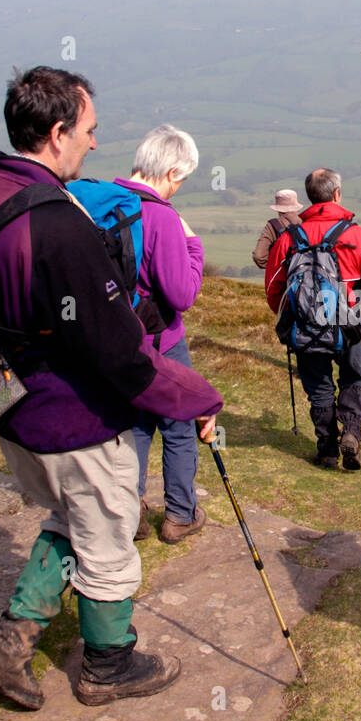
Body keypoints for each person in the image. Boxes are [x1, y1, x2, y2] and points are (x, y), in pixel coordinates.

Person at [0, 67, 223, 710]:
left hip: (5, 406)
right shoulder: (58, 225)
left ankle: (8, 645)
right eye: (89, 131)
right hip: (69, 417)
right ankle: (108, 663)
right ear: (56, 132)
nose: (95, 145)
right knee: (108, 531)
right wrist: (197, 399)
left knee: (68, 518)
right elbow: (121, 356)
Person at [105, 125, 207, 544]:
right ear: (170, 172)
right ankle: (180, 515)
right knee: (179, 421)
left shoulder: (102, 202)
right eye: (181, 179)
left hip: (114, 339)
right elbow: (182, 294)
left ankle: (132, 512)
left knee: (137, 423)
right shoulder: (161, 216)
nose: (179, 187)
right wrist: (194, 248)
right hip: (161, 339)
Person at [264, 168, 361, 470]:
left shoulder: (289, 238)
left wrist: (295, 314)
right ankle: (352, 434)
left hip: (305, 329)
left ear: (309, 197)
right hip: (348, 327)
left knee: (318, 386)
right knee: (353, 377)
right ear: (337, 194)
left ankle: (327, 449)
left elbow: (273, 289)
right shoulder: (356, 235)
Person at [251, 188, 304, 269]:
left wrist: (275, 267)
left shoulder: (272, 226)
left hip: (281, 278)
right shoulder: (307, 222)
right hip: (306, 275)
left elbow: (259, 256)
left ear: (278, 208)